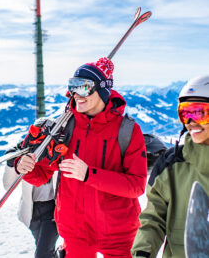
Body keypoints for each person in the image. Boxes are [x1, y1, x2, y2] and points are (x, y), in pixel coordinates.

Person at [15, 57, 147, 257]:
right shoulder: (65, 127)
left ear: (102, 90)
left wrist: (89, 175)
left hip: (118, 233)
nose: (77, 94)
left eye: (84, 87)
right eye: (72, 87)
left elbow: (136, 186)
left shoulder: (127, 130)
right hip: (75, 232)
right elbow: (42, 175)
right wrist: (25, 167)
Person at [131, 75, 209, 258]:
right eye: (185, 113)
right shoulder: (171, 164)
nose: (191, 122)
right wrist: (142, 253)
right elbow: (153, 219)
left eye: (199, 112)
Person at [3, 143, 59, 258]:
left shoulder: (59, 145)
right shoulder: (27, 148)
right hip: (32, 211)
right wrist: (10, 163)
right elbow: (8, 186)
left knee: (43, 254)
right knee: (45, 249)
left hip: (54, 209)